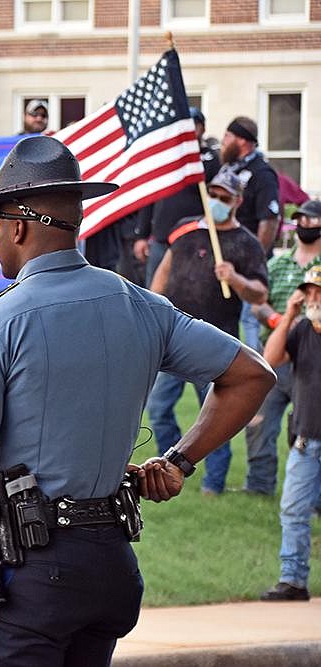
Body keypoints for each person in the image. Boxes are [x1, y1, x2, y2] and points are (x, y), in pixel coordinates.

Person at [0, 135, 275, 665]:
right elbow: (252, 375)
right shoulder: (141, 305)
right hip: (110, 563)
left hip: (28, 574)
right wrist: (180, 460)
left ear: (19, 226)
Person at [148, 170, 269, 495]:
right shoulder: (186, 229)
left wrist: (236, 279)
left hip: (215, 342)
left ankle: (213, 484)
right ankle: (168, 464)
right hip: (172, 337)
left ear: (237, 201)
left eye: (224, 197)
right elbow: (164, 271)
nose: (216, 201)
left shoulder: (246, 243)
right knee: (158, 408)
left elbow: (260, 293)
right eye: (212, 194)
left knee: (216, 417)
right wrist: (152, 309)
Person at [245, 200, 321, 496]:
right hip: (274, 353)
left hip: (312, 357)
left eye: (312, 220)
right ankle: (259, 487)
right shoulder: (276, 263)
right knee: (259, 422)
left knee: (310, 429)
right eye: (301, 219)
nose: (305, 225)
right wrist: (278, 319)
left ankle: (312, 494)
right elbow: (257, 302)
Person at [259, 267, 321, 601]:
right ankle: (293, 581)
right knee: (294, 512)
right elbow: (271, 358)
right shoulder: (300, 330)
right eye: (309, 292)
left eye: (318, 292)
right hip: (305, 441)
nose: (313, 298)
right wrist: (289, 315)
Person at [132, 107, 221, 286]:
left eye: (192, 125)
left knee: (188, 289)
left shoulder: (210, 158)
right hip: (161, 239)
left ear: (202, 128)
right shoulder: (164, 156)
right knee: (155, 290)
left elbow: (216, 196)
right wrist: (141, 236)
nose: (187, 130)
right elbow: (149, 196)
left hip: (193, 239)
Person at [218, 116, 281, 351]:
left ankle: (259, 373)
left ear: (242, 140)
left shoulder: (262, 173)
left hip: (249, 266)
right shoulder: (228, 170)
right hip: (225, 263)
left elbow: (269, 221)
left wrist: (254, 260)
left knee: (251, 319)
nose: (223, 142)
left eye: (228, 136)